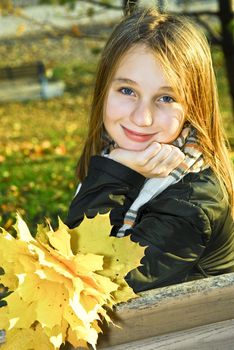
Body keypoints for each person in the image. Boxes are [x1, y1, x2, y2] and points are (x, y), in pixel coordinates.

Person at [66, 8, 234, 292]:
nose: (142, 117)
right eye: (127, 91)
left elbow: (92, 279)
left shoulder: (192, 205)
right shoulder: (131, 158)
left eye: (166, 98)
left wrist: (117, 169)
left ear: (195, 107)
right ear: (104, 90)